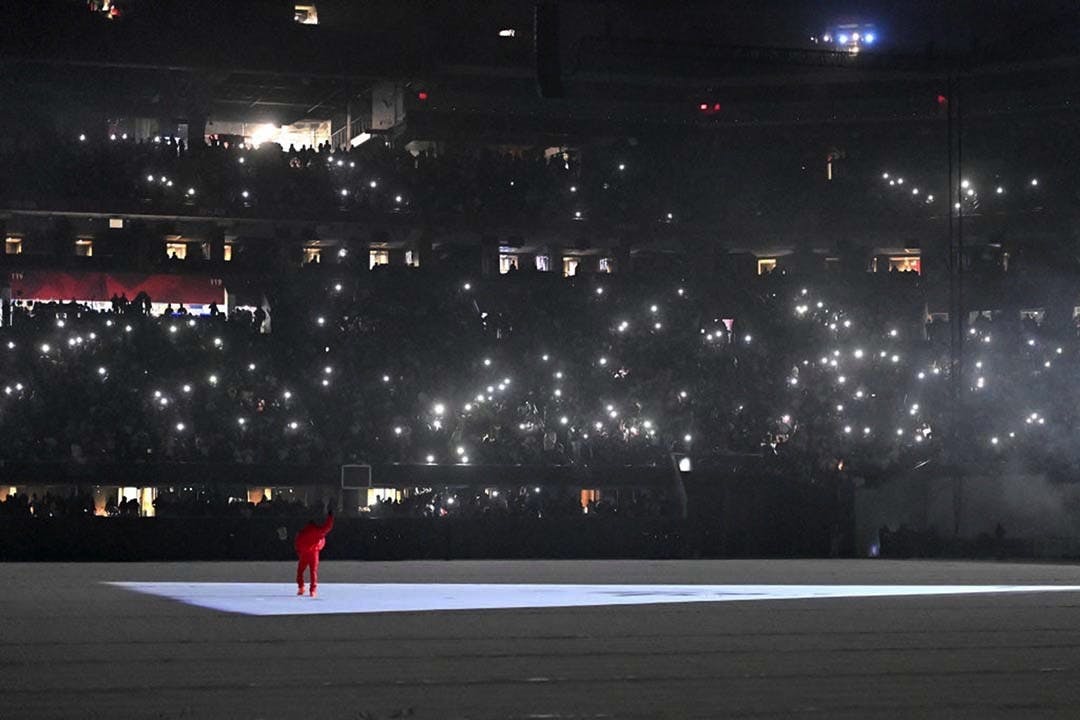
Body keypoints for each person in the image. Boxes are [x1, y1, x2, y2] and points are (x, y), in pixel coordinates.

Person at [294, 505, 334, 597]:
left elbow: (297, 542)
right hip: (314, 553)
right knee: (313, 572)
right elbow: (327, 527)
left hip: (304, 553)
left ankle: (301, 587)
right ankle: (313, 590)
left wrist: (299, 551)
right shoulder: (317, 531)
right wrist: (330, 517)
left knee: (300, 571)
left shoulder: (303, 532)